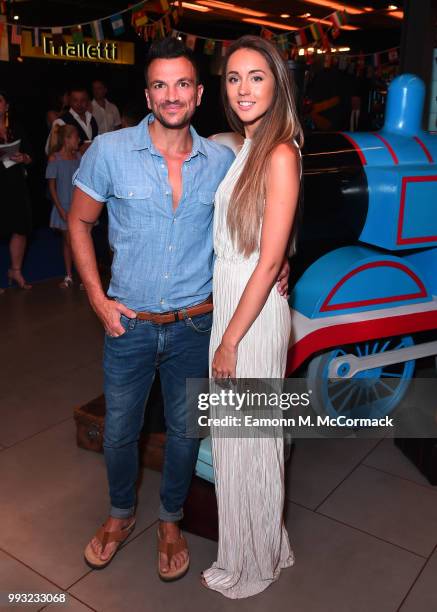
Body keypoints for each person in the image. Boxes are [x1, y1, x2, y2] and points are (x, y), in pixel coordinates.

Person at [68, 37, 289, 582]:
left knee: (187, 431)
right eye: (161, 84)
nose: (172, 95)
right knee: (120, 432)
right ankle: (120, 515)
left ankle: (170, 520)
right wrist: (98, 299)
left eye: (183, 83)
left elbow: (264, 215)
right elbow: (78, 222)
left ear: (196, 94)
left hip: (200, 324)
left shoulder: (222, 158)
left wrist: (282, 259)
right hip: (130, 325)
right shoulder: (110, 152)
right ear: (147, 94)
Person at [200, 35, 302, 599]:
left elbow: (266, 262)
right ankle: (263, 544)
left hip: (251, 314)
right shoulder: (245, 146)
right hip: (237, 299)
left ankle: (253, 560)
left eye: (256, 76)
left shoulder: (281, 151)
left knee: (249, 440)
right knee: (238, 441)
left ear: (278, 83)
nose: (243, 88)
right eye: (234, 77)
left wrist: (230, 342)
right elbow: (272, 241)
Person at [0, 90, 33, 291]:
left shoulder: (16, 128)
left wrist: (24, 158)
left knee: (21, 228)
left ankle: (16, 270)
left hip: (16, 184)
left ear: (7, 106)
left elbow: (31, 156)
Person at [46, 124, 81, 288]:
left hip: (78, 207)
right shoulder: (55, 159)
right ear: (67, 139)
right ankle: (75, 276)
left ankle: (73, 277)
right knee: (71, 242)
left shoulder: (79, 157)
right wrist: (60, 209)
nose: (79, 140)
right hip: (63, 207)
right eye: (76, 137)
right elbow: (51, 187)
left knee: (71, 242)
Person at [45, 86, 98, 155]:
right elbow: (49, 150)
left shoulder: (92, 119)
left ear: (88, 101)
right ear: (69, 101)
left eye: (83, 100)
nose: (79, 104)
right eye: (75, 100)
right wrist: (77, 152)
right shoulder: (61, 122)